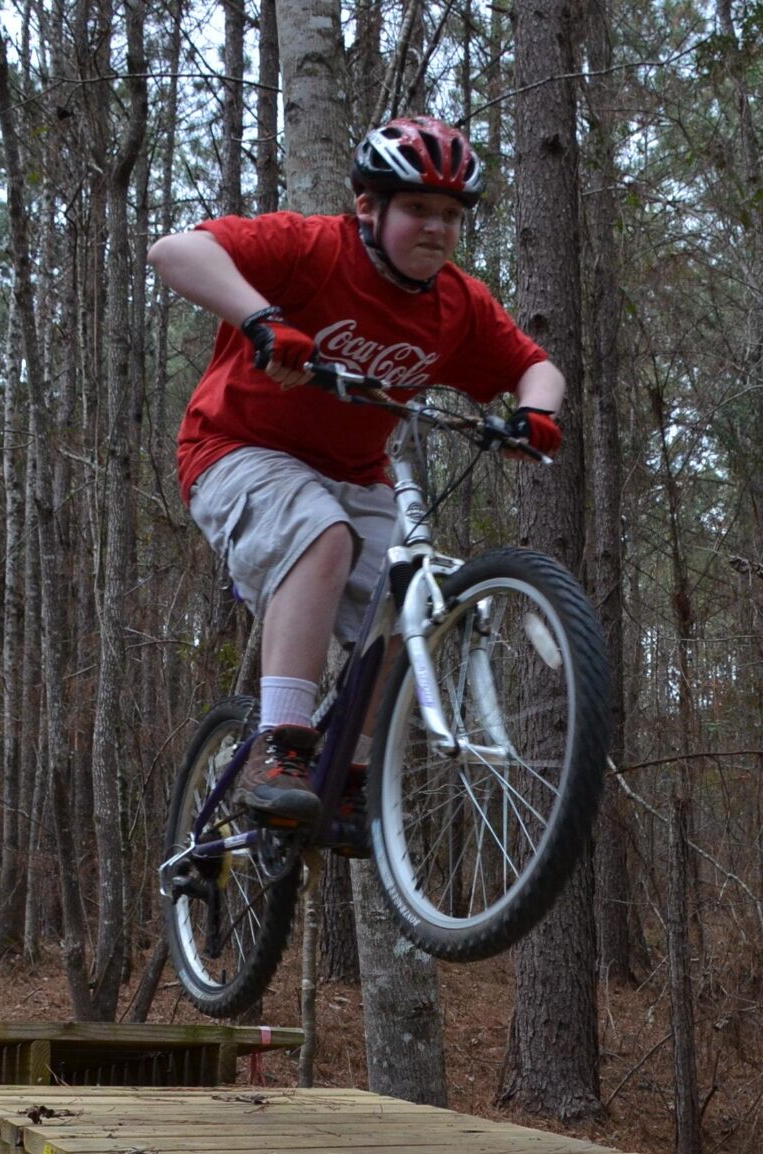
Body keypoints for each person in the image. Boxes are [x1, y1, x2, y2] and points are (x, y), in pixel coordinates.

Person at [149, 115, 567, 829]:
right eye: (416, 210)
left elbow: (536, 366)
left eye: (449, 216)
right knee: (323, 536)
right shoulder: (312, 247)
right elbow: (174, 251)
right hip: (234, 450)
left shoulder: (457, 306)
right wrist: (261, 320)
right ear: (368, 208)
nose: (435, 229)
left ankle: (352, 772)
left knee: (412, 601)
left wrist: (536, 413)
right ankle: (281, 745)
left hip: (353, 472)